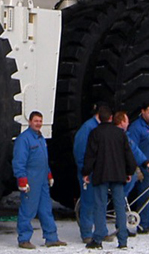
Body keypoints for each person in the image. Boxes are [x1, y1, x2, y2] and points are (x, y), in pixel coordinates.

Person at [83, 110, 138, 249]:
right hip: (118, 174)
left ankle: (98, 238)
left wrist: (86, 172)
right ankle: (123, 240)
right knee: (120, 206)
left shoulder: (95, 133)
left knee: (100, 206)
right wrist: (129, 171)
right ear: (111, 118)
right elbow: (128, 154)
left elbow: (90, 155)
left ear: (99, 118)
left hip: (101, 174)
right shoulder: (120, 133)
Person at [13, 111, 67, 249]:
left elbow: (43, 159)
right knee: (28, 209)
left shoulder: (40, 138)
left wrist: (48, 174)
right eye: (36, 121)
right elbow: (19, 161)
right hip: (31, 180)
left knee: (46, 209)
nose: (38, 124)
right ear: (30, 122)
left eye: (40, 121)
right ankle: (24, 239)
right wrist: (22, 179)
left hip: (42, 180)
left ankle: (51, 237)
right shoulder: (24, 139)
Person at [74, 102, 113, 244]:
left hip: (100, 172)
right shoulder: (88, 128)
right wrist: (85, 170)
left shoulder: (98, 127)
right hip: (89, 172)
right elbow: (80, 151)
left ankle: (101, 231)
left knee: (101, 202)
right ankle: (87, 233)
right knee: (88, 202)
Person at [126, 102, 149, 234]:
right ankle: (140, 223)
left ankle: (147, 222)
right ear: (142, 111)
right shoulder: (136, 127)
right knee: (143, 194)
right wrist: (137, 167)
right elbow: (131, 148)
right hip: (143, 166)